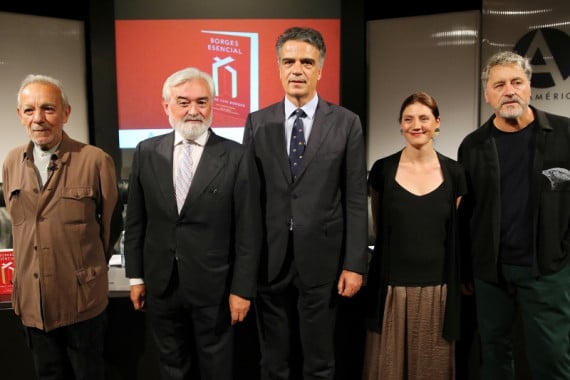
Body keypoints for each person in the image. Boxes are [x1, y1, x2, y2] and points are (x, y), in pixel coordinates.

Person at [242, 26, 369, 379]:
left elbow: (356, 197)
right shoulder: (256, 122)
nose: (297, 69)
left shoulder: (346, 123)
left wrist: (355, 264)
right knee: (272, 362)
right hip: (270, 260)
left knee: (320, 361)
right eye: (289, 61)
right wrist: (246, 265)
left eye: (306, 62)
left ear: (320, 69)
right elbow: (251, 200)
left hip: (323, 261)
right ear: (278, 67)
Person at [124, 67, 262, 380]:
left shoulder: (237, 156)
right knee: (172, 366)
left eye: (202, 101)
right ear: (166, 106)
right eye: (183, 102)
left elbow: (248, 231)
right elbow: (136, 221)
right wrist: (135, 277)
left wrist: (242, 289)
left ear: (212, 104)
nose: (193, 110)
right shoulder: (146, 152)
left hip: (215, 287)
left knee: (217, 368)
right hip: (161, 284)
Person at [2, 74, 123, 380]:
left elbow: (111, 224)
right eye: (29, 110)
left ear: (66, 113)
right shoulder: (12, 161)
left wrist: (89, 268)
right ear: (19, 115)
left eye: (48, 108)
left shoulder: (95, 160)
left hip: (82, 300)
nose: (38, 118)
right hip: (34, 301)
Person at [458, 50, 570, 379]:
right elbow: (468, 213)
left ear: (529, 88)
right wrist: (467, 268)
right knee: (493, 356)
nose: (509, 90)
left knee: (551, 359)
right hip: (491, 273)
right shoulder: (473, 145)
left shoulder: (565, 135)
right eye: (500, 84)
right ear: (488, 94)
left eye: (516, 82)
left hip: (549, 269)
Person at [362, 92, 467, 379]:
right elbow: (379, 227)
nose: (416, 125)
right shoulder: (382, 170)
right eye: (408, 119)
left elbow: (456, 235)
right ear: (400, 125)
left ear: (437, 123)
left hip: (439, 292)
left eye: (424, 118)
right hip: (391, 291)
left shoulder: (456, 173)